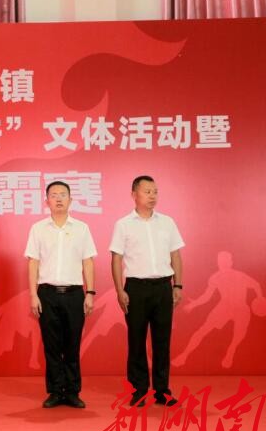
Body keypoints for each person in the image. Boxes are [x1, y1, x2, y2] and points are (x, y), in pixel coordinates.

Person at [110, 175, 184, 407]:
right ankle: (139, 391)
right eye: (147, 191)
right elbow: (116, 258)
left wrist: (178, 285)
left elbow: (175, 254)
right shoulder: (123, 224)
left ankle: (162, 391)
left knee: (162, 341)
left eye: (155, 191)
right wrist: (119, 290)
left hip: (163, 287)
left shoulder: (167, 222)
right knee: (136, 341)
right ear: (134, 194)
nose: (152, 196)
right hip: (136, 289)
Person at [24, 181, 96, 409]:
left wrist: (90, 292)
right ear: (47, 201)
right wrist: (33, 295)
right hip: (47, 294)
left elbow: (88, 262)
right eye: (53, 195)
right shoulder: (38, 228)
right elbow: (33, 263)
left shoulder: (82, 228)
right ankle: (55, 391)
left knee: (72, 345)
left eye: (63, 194)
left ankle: (72, 391)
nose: (58, 198)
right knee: (52, 346)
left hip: (74, 294)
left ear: (70, 199)